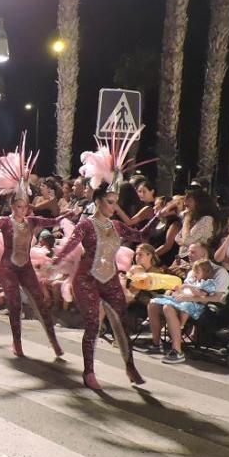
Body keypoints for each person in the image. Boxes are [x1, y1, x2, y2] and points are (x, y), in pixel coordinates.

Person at [53, 126, 155, 390]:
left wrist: (152, 213)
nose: (113, 206)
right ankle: (89, 372)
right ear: (98, 202)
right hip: (86, 279)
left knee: (121, 322)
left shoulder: (117, 227)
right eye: (110, 202)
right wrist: (54, 265)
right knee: (92, 325)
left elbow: (141, 235)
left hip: (109, 278)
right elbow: (69, 247)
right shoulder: (86, 225)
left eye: (115, 202)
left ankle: (130, 366)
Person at [0, 134, 66, 357]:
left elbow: (51, 221)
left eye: (24, 206)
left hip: (25, 267)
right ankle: (17, 343)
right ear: (13, 206)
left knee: (41, 303)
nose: (20, 209)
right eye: (17, 206)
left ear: (27, 207)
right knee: (14, 305)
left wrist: (66, 215)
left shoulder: (33, 221)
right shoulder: (5, 221)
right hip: (8, 267)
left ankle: (54, 342)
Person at [147, 259, 218, 364]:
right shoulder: (192, 276)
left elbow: (204, 295)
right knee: (153, 304)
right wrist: (177, 290)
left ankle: (177, 350)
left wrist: (187, 292)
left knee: (167, 307)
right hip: (181, 300)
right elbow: (182, 289)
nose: (189, 255)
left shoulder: (208, 282)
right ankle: (156, 343)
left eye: (193, 253)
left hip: (194, 305)